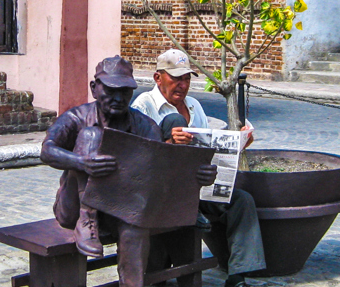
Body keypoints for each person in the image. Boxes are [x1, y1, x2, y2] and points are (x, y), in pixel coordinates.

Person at [40, 55, 217, 287]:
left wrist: (197, 177)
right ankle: (88, 217)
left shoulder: (144, 125)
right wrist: (80, 162)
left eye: (124, 91)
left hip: (118, 208)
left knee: (134, 227)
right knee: (91, 136)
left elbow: (162, 171)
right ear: (94, 88)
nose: (117, 98)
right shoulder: (77, 117)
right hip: (73, 209)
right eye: (111, 90)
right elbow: (47, 150)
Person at [131, 49, 266, 287]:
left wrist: (240, 143)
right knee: (173, 122)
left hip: (198, 185)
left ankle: (237, 276)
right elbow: (139, 157)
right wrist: (169, 143)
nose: (182, 85)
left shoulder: (193, 105)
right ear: (157, 78)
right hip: (162, 189)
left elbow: (211, 146)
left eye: (187, 78)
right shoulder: (144, 105)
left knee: (242, 200)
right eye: (176, 78)